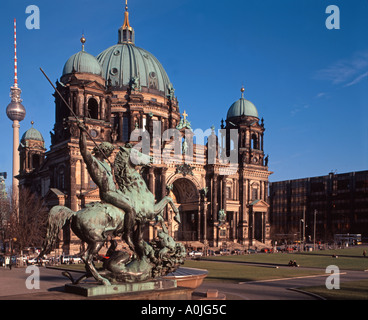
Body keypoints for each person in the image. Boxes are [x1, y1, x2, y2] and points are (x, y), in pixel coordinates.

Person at [78, 122, 136, 251]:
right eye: (109, 152)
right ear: (103, 151)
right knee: (130, 209)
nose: (110, 155)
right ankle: (127, 235)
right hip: (108, 193)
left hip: (115, 191)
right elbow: (83, 150)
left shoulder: (106, 163)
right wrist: (82, 133)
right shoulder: (93, 162)